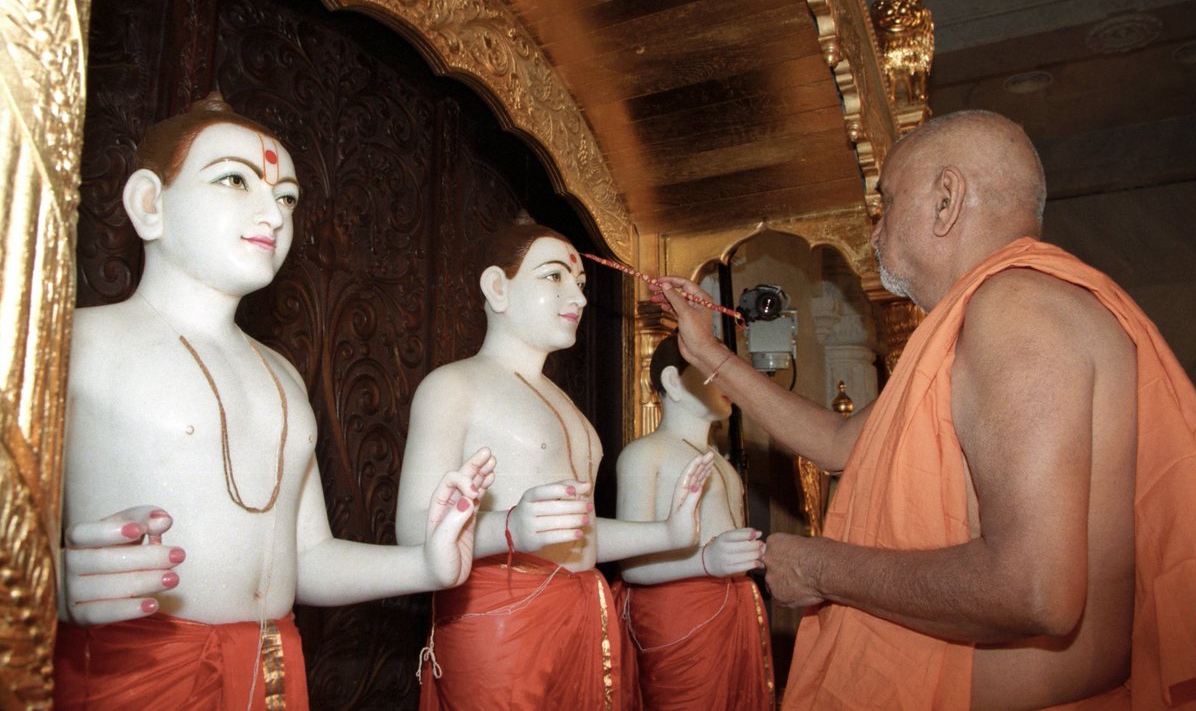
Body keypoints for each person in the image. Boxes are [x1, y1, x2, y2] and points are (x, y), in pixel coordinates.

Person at [655, 110, 1196, 710]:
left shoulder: (1015, 308)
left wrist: (822, 569)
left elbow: (1034, 589)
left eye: (886, 203)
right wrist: (706, 350)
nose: (875, 231)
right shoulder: (1006, 311)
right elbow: (841, 443)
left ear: (946, 199)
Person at [55, 93, 496, 711]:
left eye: (286, 196)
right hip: (131, 669)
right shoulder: (71, 341)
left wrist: (427, 565)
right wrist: (41, 581)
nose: (274, 211)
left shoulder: (284, 374)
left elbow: (308, 559)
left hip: (274, 669)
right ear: (150, 204)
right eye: (236, 179)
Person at [395, 218, 714, 710]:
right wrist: (509, 530)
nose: (580, 298)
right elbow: (415, 531)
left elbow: (575, 533)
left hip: (584, 612)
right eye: (554, 277)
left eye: (582, 284)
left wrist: (669, 533)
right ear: (498, 287)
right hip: (501, 618)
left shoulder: (570, 409)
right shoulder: (453, 386)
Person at [615, 333, 773, 710]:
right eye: (716, 372)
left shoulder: (723, 463)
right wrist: (706, 562)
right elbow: (632, 566)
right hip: (678, 614)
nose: (729, 382)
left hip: (733, 607)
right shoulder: (644, 454)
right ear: (673, 381)